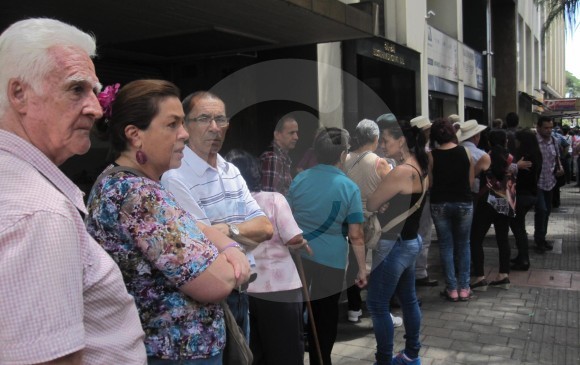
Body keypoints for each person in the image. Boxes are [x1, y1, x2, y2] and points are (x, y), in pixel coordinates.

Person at [0, 18, 147, 364]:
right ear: (19, 93)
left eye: (95, 91)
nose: (96, 109)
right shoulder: (40, 212)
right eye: (76, 89)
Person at [86, 80, 251, 364]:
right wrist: (231, 255)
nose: (184, 134)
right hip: (174, 353)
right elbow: (217, 283)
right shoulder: (138, 194)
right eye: (172, 124)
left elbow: (196, 227)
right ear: (135, 135)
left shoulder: (129, 182)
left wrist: (229, 248)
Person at [161, 91, 274, 339]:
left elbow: (266, 228)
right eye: (204, 119)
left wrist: (227, 230)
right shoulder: (176, 176)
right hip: (207, 299)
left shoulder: (230, 170)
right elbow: (203, 245)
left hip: (242, 290)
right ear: (185, 125)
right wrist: (240, 233)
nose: (214, 128)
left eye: (220, 120)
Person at [288, 127, 368, 365]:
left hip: (299, 256)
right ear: (343, 154)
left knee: (298, 311)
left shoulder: (300, 179)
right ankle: (321, 360)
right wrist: (362, 269)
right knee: (325, 316)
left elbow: (289, 217)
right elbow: (356, 235)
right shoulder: (348, 187)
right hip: (330, 260)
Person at [225, 148, 310, 365]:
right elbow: (292, 238)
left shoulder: (225, 207)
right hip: (281, 289)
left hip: (243, 288)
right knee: (287, 353)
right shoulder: (273, 199)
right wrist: (301, 241)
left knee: (254, 353)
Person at [366, 117, 429, 365]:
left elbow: (372, 203)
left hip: (393, 244)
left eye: (386, 140)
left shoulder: (402, 171)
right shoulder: (421, 167)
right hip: (411, 242)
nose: (382, 145)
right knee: (409, 298)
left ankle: (383, 361)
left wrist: (384, 192)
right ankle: (412, 354)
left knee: (378, 305)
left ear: (402, 140)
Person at [342, 119, 399, 325]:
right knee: (379, 265)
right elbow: (394, 189)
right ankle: (380, 308)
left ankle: (353, 308)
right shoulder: (380, 162)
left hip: (351, 220)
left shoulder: (345, 158)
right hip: (375, 221)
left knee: (354, 264)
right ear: (375, 139)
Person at [429, 118, 474, 302]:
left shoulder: (431, 155)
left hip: (440, 203)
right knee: (464, 245)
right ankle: (464, 288)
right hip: (463, 202)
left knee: (446, 246)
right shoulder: (466, 152)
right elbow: (470, 182)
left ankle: (452, 288)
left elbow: (430, 183)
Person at [469, 129, 517, 291]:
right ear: (506, 141)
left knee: (476, 238)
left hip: (487, 202)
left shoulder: (486, 156)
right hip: (505, 202)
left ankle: (480, 278)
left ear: (489, 142)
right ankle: (503, 275)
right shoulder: (510, 158)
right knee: (502, 238)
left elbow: (473, 175)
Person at [409, 115, 439, 288]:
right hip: (423, 198)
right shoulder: (426, 155)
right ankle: (420, 272)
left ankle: (409, 272)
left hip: (404, 200)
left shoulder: (402, 152)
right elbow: (431, 182)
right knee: (423, 235)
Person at [509, 129, 542, 271]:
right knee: (519, 227)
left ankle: (523, 259)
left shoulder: (524, 157)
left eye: (517, 140)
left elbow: (515, 175)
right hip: (531, 195)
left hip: (521, 195)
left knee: (518, 228)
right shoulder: (536, 154)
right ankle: (521, 256)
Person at [534, 116, 561, 252]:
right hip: (537, 183)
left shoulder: (554, 141)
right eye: (546, 128)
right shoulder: (534, 142)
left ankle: (542, 238)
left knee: (547, 211)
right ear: (538, 127)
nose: (549, 130)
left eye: (551, 128)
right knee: (541, 210)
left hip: (550, 181)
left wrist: (560, 167)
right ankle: (538, 240)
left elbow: (557, 157)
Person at [260, 115, 299, 195]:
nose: (296, 137)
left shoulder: (282, 158)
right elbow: (269, 198)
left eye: (296, 133)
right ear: (277, 135)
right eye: (291, 133)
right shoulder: (272, 158)